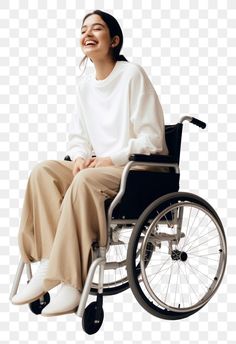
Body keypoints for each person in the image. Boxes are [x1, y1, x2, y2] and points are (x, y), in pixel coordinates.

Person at [11, 10, 168, 316]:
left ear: (115, 41)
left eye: (97, 28)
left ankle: (71, 280)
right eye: (84, 29)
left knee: (83, 181)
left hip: (131, 170)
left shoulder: (132, 75)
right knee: (44, 172)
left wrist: (110, 158)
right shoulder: (85, 85)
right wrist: (81, 156)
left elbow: (153, 140)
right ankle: (48, 264)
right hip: (98, 167)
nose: (88, 34)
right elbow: (78, 136)